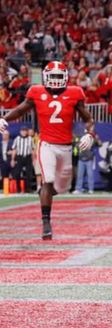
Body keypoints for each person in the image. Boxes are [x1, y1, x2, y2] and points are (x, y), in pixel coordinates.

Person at [0, 61, 94, 239]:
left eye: (60, 76)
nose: (56, 80)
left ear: (66, 77)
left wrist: (89, 134)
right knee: (48, 180)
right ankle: (46, 223)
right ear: (45, 77)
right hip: (46, 144)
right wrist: (4, 118)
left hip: (66, 147)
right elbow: (21, 110)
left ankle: (46, 193)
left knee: (62, 187)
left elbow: (87, 118)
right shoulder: (36, 92)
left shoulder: (74, 93)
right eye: (54, 76)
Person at [73, 128, 101, 194]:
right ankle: (78, 189)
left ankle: (91, 189)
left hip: (89, 159)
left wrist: (96, 139)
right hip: (81, 159)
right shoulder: (80, 138)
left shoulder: (92, 139)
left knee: (90, 175)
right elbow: (76, 146)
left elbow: (100, 144)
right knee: (79, 175)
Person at [11, 126, 34, 192]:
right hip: (19, 157)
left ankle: (28, 188)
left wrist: (34, 159)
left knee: (29, 173)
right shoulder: (17, 139)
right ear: (20, 131)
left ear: (27, 132)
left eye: (25, 131)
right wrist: (13, 159)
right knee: (17, 173)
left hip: (28, 157)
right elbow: (14, 150)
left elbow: (33, 150)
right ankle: (18, 188)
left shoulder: (30, 139)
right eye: (22, 131)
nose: (23, 132)